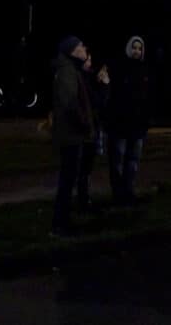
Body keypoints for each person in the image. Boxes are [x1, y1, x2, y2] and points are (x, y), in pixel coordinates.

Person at [49, 35, 98, 236]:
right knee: (67, 181)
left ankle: (63, 222)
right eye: (80, 46)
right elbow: (70, 103)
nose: (84, 47)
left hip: (71, 134)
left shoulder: (70, 70)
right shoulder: (68, 71)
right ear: (72, 51)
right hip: (71, 135)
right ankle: (60, 224)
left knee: (68, 180)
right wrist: (85, 123)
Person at [107, 35, 149, 205]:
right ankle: (118, 195)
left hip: (137, 125)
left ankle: (129, 192)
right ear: (128, 48)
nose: (137, 51)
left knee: (133, 161)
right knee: (117, 161)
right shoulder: (119, 68)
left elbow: (148, 97)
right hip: (120, 124)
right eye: (134, 47)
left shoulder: (145, 69)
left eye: (140, 48)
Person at [77, 52, 110, 213]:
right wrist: (104, 85)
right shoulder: (83, 79)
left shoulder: (86, 78)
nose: (90, 63)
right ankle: (83, 201)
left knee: (85, 168)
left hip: (89, 129)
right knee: (84, 168)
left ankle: (83, 198)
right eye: (87, 60)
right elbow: (98, 103)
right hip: (86, 130)